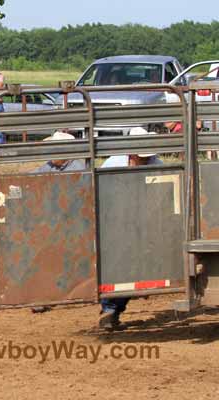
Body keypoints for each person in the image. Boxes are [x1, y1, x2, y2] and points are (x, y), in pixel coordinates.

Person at [98, 127, 163, 330]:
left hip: (141, 220)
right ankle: (110, 309)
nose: (145, 158)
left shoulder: (155, 163)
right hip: (115, 218)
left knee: (131, 266)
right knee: (119, 265)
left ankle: (112, 310)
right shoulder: (114, 163)